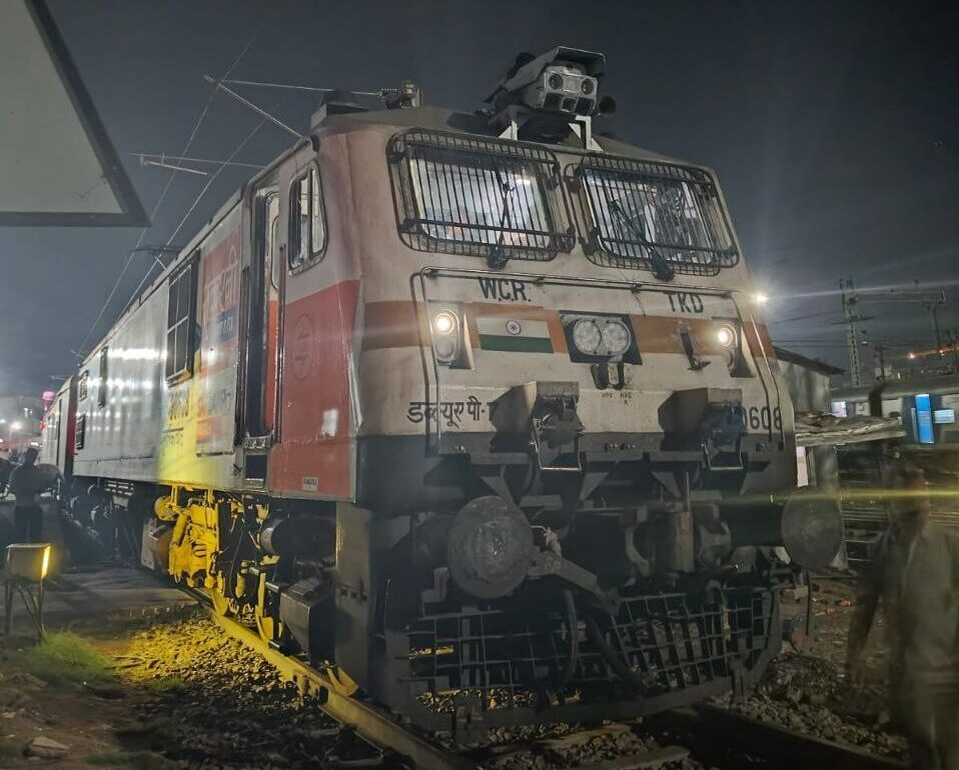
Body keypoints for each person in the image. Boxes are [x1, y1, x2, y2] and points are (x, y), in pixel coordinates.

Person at [846, 459, 959, 770]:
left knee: (951, 751)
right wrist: (853, 655)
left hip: (948, 668)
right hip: (909, 672)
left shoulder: (950, 546)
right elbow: (865, 607)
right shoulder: (881, 550)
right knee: (923, 749)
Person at [7, 447, 46, 543]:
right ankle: (35, 556)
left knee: (20, 536)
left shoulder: (17, 471)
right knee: (35, 536)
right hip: (33, 508)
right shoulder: (37, 472)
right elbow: (42, 487)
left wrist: (23, 492)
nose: (32, 458)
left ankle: (22, 556)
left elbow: (11, 489)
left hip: (22, 507)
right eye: (32, 456)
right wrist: (33, 492)